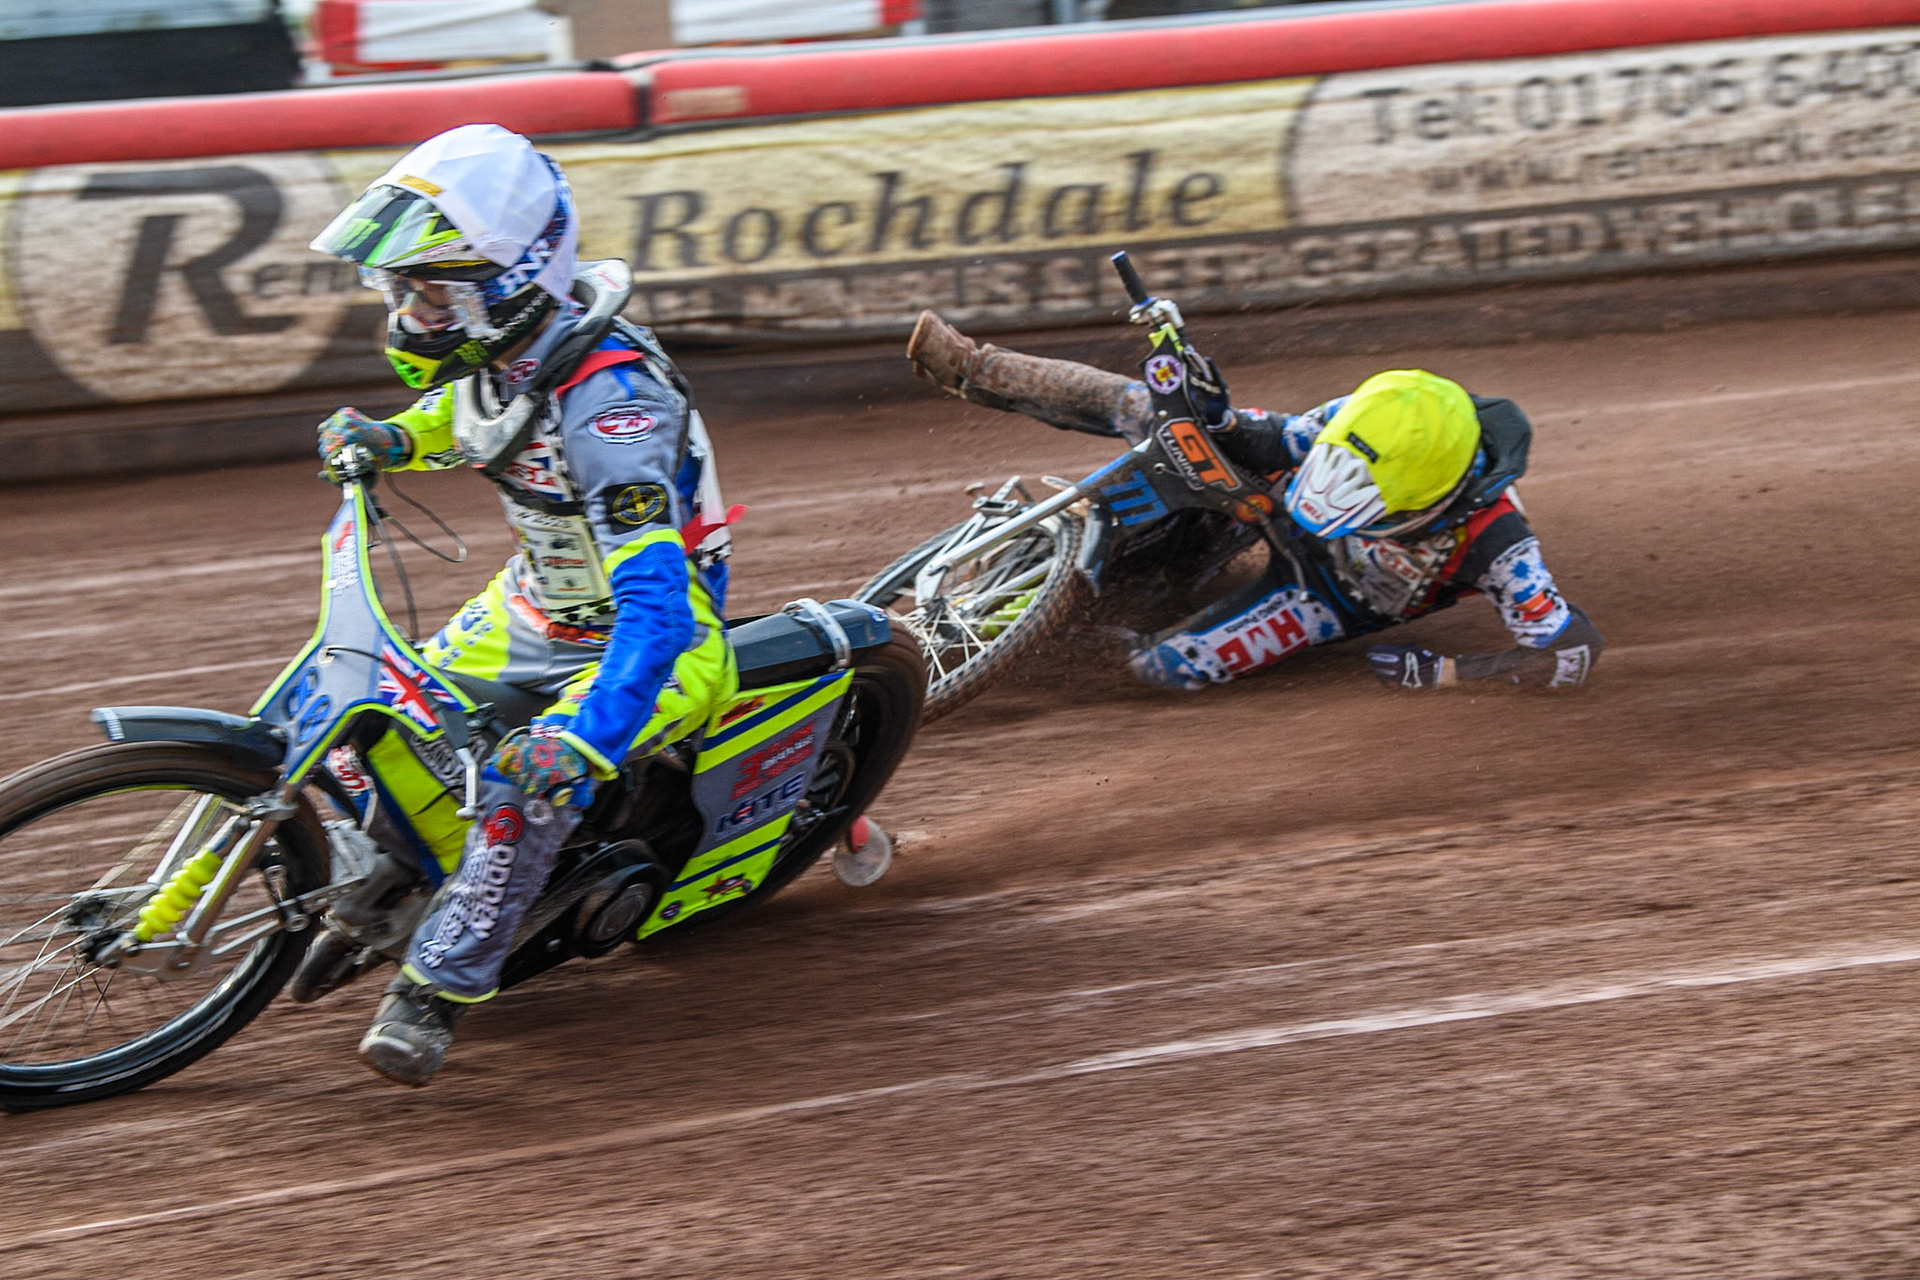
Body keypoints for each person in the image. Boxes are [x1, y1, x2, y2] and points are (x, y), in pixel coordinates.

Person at [300, 124, 738, 1086]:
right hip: (533, 608)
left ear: (510, 280)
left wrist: (582, 739)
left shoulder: (612, 408)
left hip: (653, 640)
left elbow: (660, 614)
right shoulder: (514, 352)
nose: (413, 315)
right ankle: (397, 871)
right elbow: (469, 421)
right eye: (403, 290)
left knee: (524, 777)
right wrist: (387, 439)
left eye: (430, 290)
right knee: (352, 710)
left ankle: (437, 988)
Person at [905, 313, 1602, 692]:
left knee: (1162, 669)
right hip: (1276, 497)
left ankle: (1057, 640)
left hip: (1331, 593)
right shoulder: (1359, 418)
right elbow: (1263, 439)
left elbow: (1568, 653)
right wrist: (1211, 409)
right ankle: (975, 366)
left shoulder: (1500, 545)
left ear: (1441, 499)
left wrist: (1448, 674)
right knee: (1155, 412)